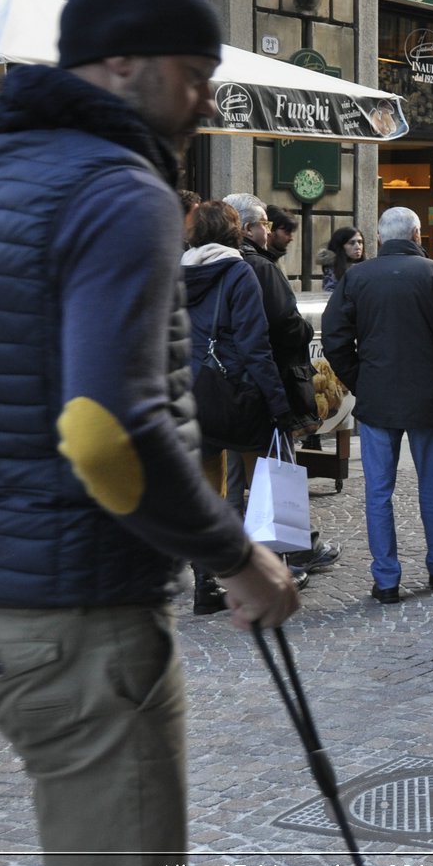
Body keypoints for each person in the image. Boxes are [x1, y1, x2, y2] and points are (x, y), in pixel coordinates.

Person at [0, 0, 299, 866]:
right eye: (193, 77)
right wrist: (239, 558)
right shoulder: (122, 190)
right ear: (122, 66)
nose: (205, 101)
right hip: (78, 619)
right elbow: (105, 430)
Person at [323, 207, 433, 603]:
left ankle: (386, 579)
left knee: (378, 492)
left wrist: (360, 380)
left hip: (377, 398)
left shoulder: (357, 278)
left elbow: (335, 338)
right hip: (426, 397)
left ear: (378, 238)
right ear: (417, 235)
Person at [182, 201, 295, 612]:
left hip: (192, 394)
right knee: (264, 483)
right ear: (235, 234)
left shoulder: (177, 272)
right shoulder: (237, 271)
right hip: (239, 395)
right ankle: (269, 576)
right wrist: (278, 404)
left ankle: (205, 585)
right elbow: (253, 345)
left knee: (208, 494)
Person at [220, 194, 335, 573]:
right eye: (265, 223)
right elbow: (282, 326)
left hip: (225, 387)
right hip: (264, 382)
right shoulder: (257, 266)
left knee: (234, 476)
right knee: (277, 466)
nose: (269, 230)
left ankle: (231, 558)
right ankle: (294, 550)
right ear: (249, 227)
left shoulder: (217, 263)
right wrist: (303, 329)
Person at [318, 225, 365, 291]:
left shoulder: (367, 266)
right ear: (341, 246)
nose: (358, 247)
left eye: (360, 242)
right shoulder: (332, 270)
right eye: (352, 243)